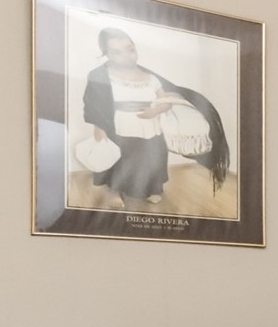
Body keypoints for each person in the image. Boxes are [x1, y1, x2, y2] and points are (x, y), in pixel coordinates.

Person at [83, 27, 230, 207]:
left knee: (151, 158)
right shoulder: (101, 76)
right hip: (120, 127)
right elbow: (94, 104)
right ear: (106, 54)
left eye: (130, 49)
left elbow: (166, 101)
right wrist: (99, 128)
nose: (127, 55)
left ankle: (152, 188)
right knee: (121, 159)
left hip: (150, 129)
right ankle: (115, 190)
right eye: (117, 52)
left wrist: (156, 111)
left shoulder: (150, 78)